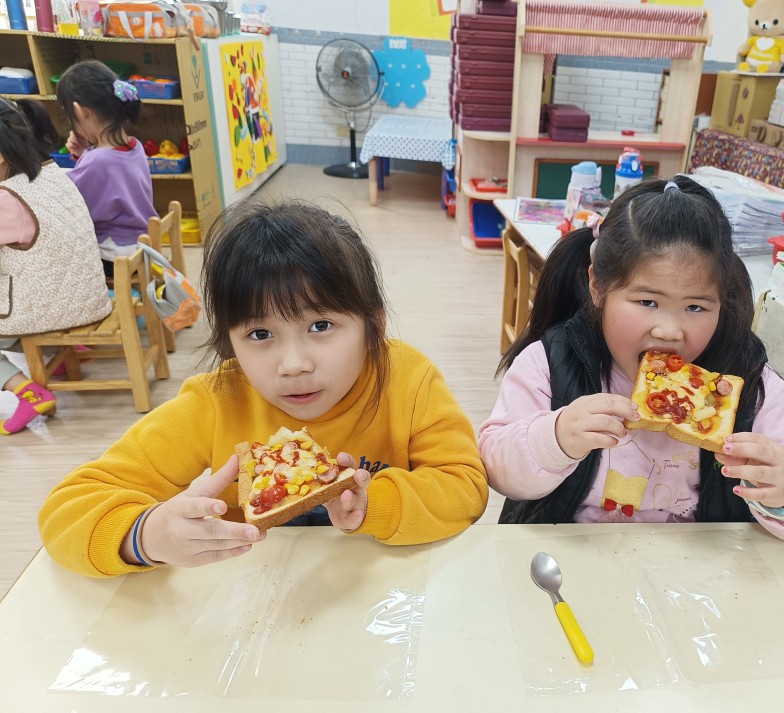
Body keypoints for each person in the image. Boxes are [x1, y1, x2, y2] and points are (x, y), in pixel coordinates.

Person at [39, 198, 489, 577]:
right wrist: (146, 535)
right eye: (259, 334)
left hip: (384, 589)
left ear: (374, 324)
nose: (293, 365)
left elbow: (466, 487)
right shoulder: (217, 401)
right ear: (230, 342)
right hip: (250, 599)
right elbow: (67, 509)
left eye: (321, 325)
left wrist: (375, 504)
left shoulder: (407, 379)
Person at [479, 175, 784, 540]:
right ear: (597, 286)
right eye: (647, 301)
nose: (670, 331)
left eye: (696, 307)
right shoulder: (551, 362)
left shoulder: (747, 383)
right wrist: (555, 439)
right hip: (571, 554)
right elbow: (496, 468)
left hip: (700, 563)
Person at [0, 97, 111, 436]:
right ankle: (57, 352)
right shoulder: (52, 174)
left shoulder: (7, 199)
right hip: (87, 298)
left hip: (53, 308)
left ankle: (26, 391)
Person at [56, 60, 157, 272]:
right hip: (139, 244)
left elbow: (72, 203)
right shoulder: (133, 146)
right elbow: (110, 181)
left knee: (57, 258)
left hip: (115, 253)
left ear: (80, 111)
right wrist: (84, 154)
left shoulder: (98, 161)